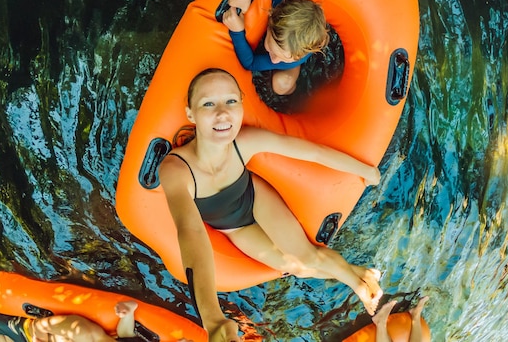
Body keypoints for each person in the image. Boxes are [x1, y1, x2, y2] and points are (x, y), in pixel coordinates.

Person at [158, 67, 383, 342]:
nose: (222, 114)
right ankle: (359, 275)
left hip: (255, 197)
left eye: (230, 101)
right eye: (208, 104)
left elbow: (311, 152)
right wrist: (212, 317)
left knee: (308, 256)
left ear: (241, 104)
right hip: (233, 227)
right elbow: (191, 232)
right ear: (190, 113)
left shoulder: (244, 142)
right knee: (297, 267)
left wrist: (365, 170)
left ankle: (357, 284)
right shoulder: (177, 170)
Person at [221, 0, 333, 98]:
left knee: (281, 85)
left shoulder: (286, 61)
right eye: (273, 51)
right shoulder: (281, 5)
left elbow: (250, 63)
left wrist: (237, 31)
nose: (273, 60)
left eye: (279, 55)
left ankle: (295, 69)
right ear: (271, 20)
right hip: (293, 49)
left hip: (291, 63)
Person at [0, 300, 178, 342]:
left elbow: (126, 335)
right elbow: (42, 327)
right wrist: (128, 311)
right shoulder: (87, 334)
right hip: (31, 333)